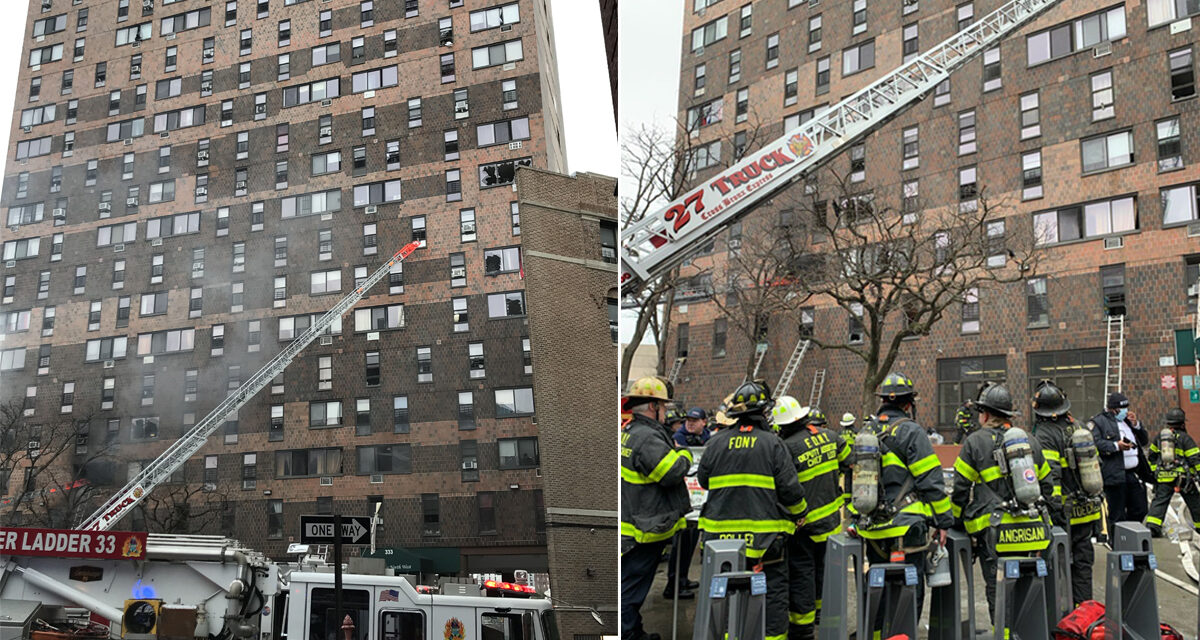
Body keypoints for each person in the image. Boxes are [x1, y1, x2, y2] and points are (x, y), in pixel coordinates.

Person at [698, 381, 807, 640]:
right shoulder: (773, 444)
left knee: (722, 596)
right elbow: (790, 490)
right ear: (764, 412)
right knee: (771, 595)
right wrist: (800, 512)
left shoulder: (715, 443)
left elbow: (704, 481)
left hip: (720, 542)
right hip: (765, 542)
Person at [851, 373, 953, 625]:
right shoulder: (911, 431)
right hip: (907, 529)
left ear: (883, 400)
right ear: (908, 404)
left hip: (874, 530)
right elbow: (931, 481)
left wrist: (855, 519)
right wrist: (943, 522)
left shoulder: (866, 431)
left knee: (877, 588)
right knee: (909, 588)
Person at [951, 384, 1054, 625]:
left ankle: (1005, 634)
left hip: (996, 535)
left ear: (985, 414)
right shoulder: (1030, 440)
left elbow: (960, 489)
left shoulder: (975, 442)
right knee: (1029, 588)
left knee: (998, 590)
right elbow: (1047, 486)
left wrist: (955, 521)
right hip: (1034, 532)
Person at [620, 377, 693, 640]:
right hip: (645, 529)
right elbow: (671, 472)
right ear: (653, 406)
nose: (666, 411)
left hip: (635, 523)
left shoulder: (630, 431)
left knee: (631, 586)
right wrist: (684, 454)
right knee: (631, 590)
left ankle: (634, 631)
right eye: (663, 406)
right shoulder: (647, 437)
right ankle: (628, 635)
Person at [772, 397, 850, 640]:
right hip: (830, 519)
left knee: (802, 572)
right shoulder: (832, 436)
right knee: (822, 568)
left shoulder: (786, 447)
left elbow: (784, 486)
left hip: (802, 523)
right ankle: (821, 612)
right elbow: (851, 462)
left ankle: (803, 627)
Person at [1030, 380, 1102, 605]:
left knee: (1056, 564)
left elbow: (1051, 479)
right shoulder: (1079, 426)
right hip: (1087, 509)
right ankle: (1084, 612)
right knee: (1082, 563)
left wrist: (1054, 512)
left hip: (1064, 513)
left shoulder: (1045, 434)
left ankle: (1060, 616)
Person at [664, 407, 709, 599]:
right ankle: (673, 584)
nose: (690, 423)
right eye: (688, 420)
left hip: (699, 500)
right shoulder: (678, 438)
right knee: (680, 545)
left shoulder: (708, 437)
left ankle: (682, 579)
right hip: (683, 500)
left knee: (690, 543)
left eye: (694, 420)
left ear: (704, 422)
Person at [1090, 392, 1149, 526]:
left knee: (1140, 508)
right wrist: (1116, 446)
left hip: (1133, 473)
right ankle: (1118, 541)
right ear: (1112, 409)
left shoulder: (1127, 422)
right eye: (1122, 409)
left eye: (1126, 408)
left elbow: (1144, 440)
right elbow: (1094, 443)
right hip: (1114, 474)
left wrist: (1136, 425)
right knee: (1117, 513)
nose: (1125, 411)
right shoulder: (1099, 422)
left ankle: (1131, 533)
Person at [1146, 408, 1200, 537]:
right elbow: (1195, 459)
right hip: (1183, 478)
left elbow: (1151, 456)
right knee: (1195, 503)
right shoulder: (1185, 438)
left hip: (1164, 478)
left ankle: (1152, 527)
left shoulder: (1160, 437)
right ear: (1182, 423)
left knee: (1159, 502)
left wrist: (1155, 474)